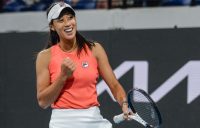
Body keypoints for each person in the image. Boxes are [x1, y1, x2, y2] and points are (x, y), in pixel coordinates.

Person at [35, 1, 129, 128]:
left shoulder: (95, 49)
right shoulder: (45, 57)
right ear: (52, 26)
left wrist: (124, 103)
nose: (68, 23)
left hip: (93, 118)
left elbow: (114, 85)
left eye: (70, 18)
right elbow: (43, 102)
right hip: (62, 122)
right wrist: (63, 76)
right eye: (61, 20)